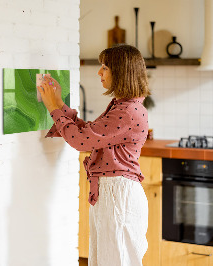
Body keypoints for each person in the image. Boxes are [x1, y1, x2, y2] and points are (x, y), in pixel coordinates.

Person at [38, 44, 150, 266]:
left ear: (121, 72)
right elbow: (89, 133)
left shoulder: (127, 111)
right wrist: (59, 104)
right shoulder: (123, 106)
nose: (99, 72)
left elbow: (81, 141)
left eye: (105, 67)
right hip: (113, 193)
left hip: (118, 195)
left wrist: (53, 108)